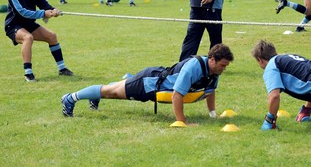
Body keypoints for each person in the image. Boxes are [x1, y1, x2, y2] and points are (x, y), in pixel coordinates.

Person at [61, 44, 234, 123]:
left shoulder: (213, 71)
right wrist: (182, 121)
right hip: (149, 83)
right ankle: (70, 98)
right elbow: (177, 95)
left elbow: (210, 91)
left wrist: (213, 114)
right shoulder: (194, 67)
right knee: (110, 91)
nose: (224, 69)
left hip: (154, 80)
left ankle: (98, 95)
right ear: (212, 59)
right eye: (222, 65)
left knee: (112, 90)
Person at [4, 0, 73, 82]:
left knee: (52, 36)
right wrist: (43, 14)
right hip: (14, 24)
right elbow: (22, 12)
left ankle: (62, 69)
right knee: (28, 38)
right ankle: (28, 73)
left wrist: (53, 10)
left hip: (29, 24)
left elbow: (43, 4)